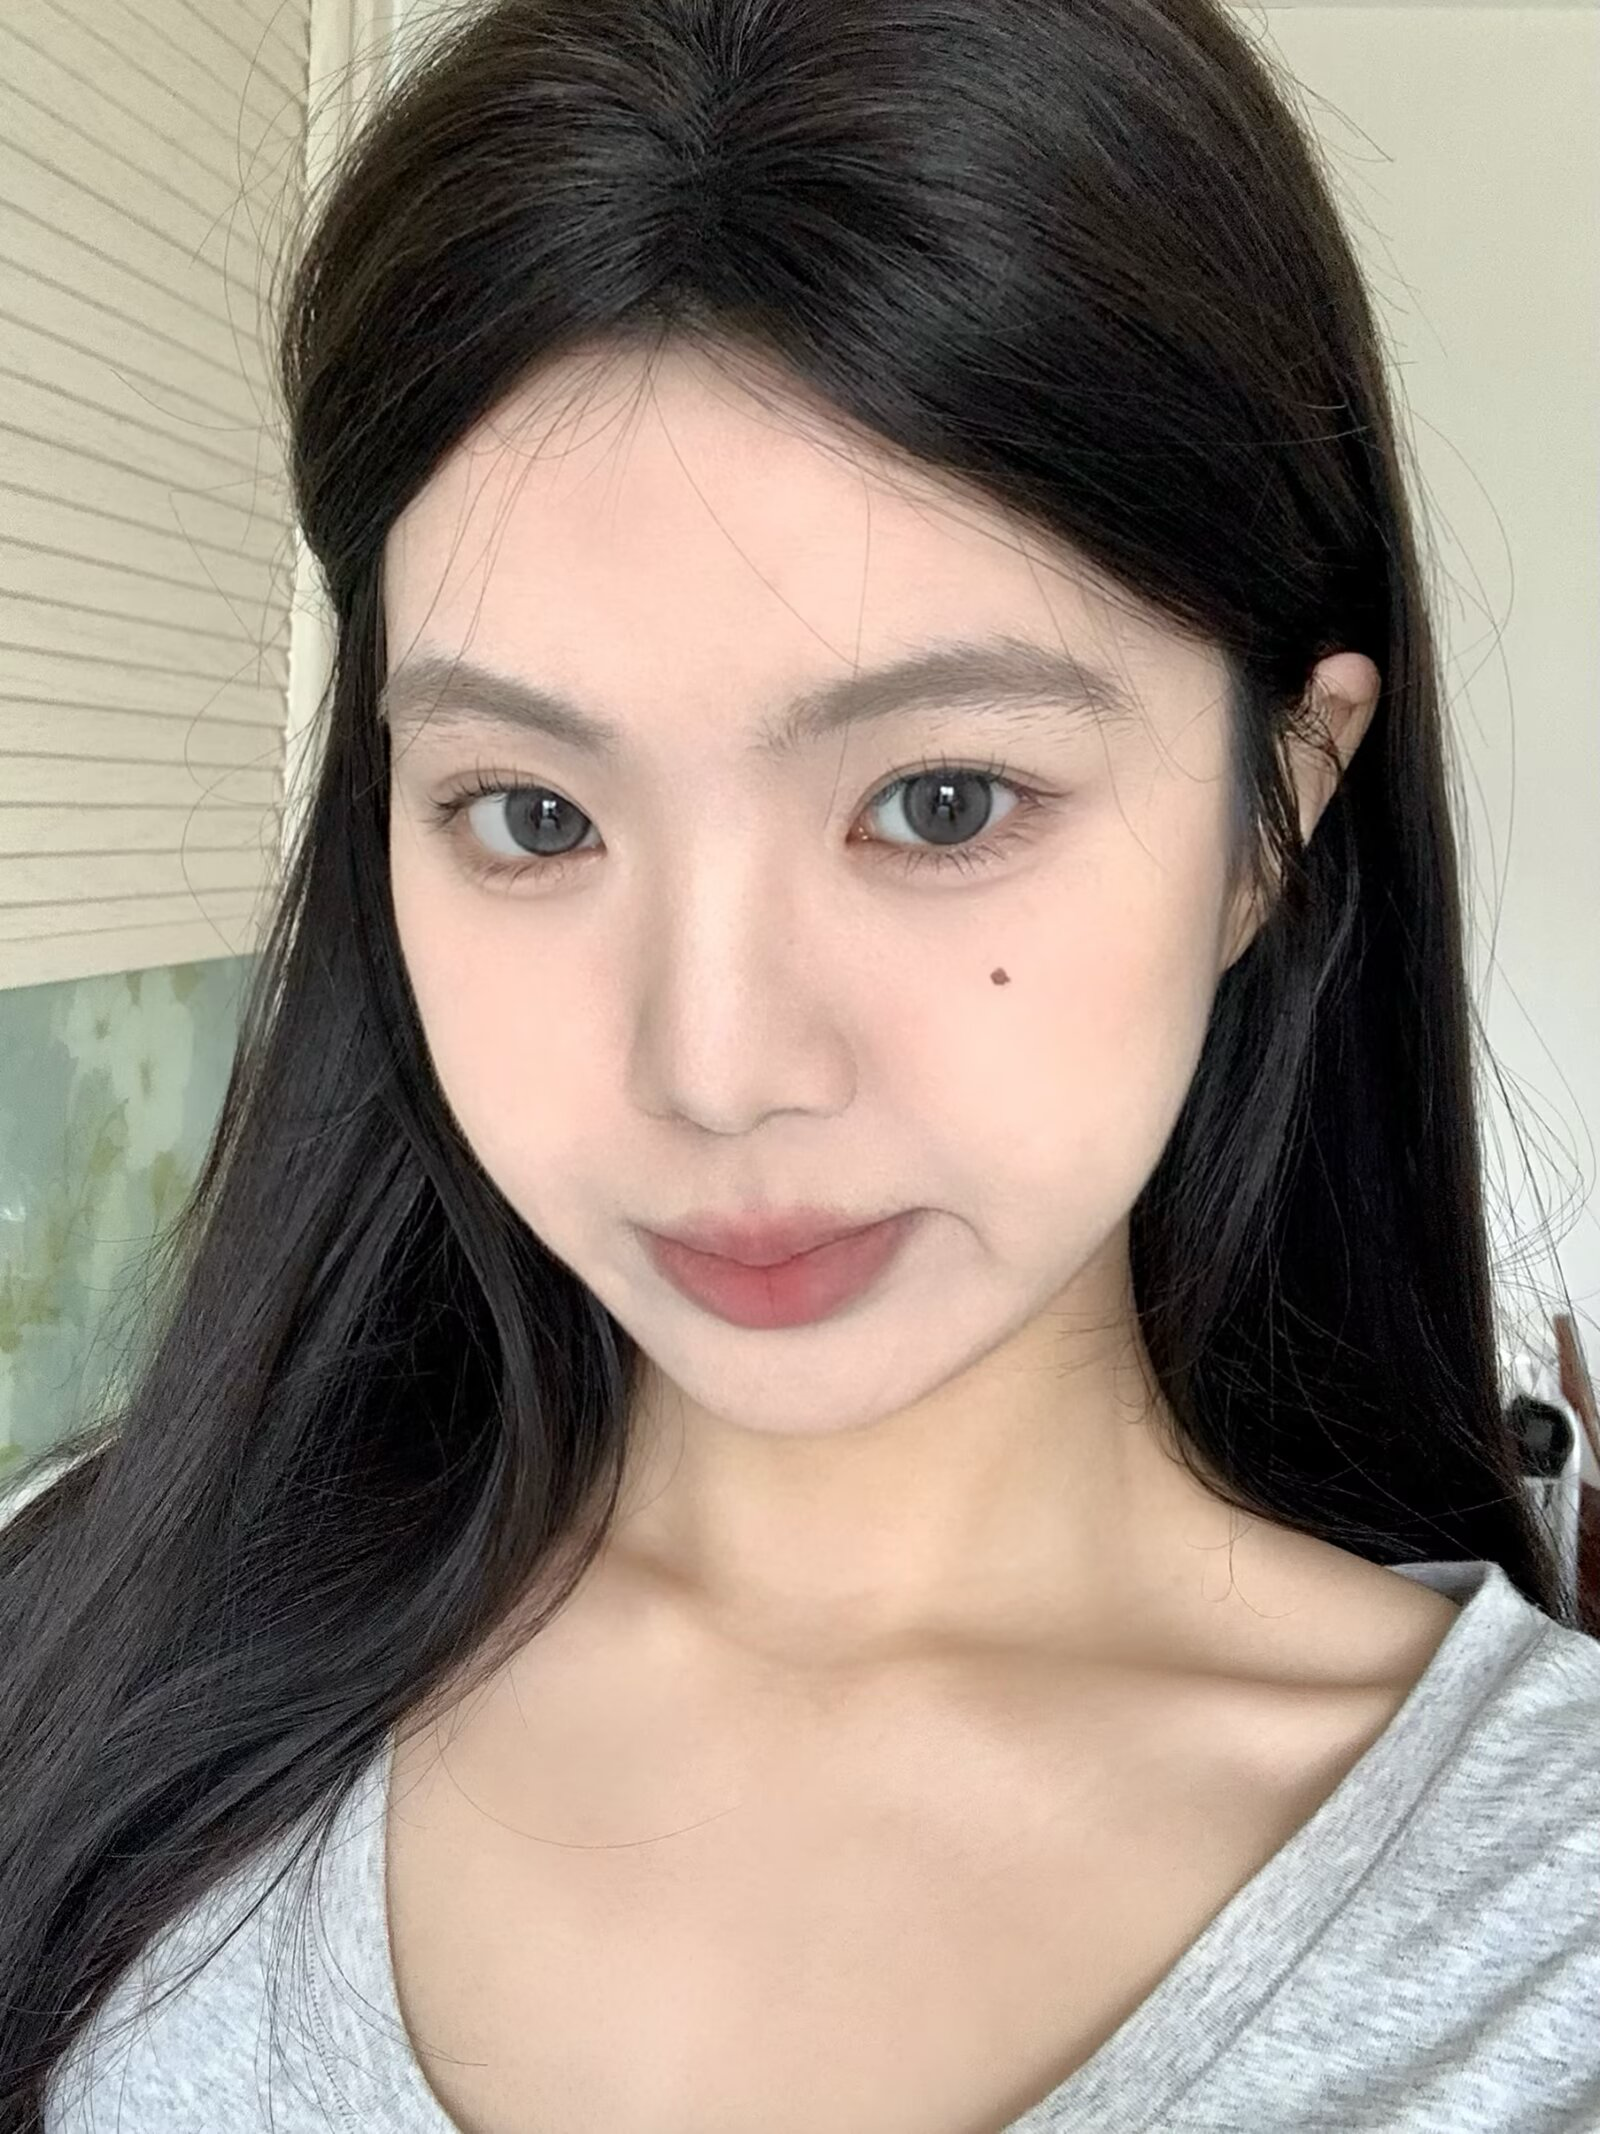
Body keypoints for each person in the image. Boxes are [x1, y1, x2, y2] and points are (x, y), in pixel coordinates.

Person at [2, 1, 1596, 2129]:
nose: (714, 1065)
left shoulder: (1540, 1933)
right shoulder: (82, 1637)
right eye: (532, 814)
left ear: (1273, 813)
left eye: (940, 801)